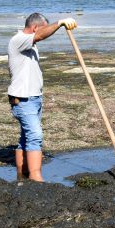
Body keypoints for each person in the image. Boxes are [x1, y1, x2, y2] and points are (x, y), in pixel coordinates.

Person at [8, 13, 77, 182]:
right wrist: (60, 23)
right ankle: (36, 177)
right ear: (35, 27)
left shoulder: (30, 43)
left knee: (26, 137)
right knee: (35, 136)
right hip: (23, 99)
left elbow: (38, 36)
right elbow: (40, 35)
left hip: (34, 97)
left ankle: (21, 175)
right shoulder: (19, 40)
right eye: (43, 29)